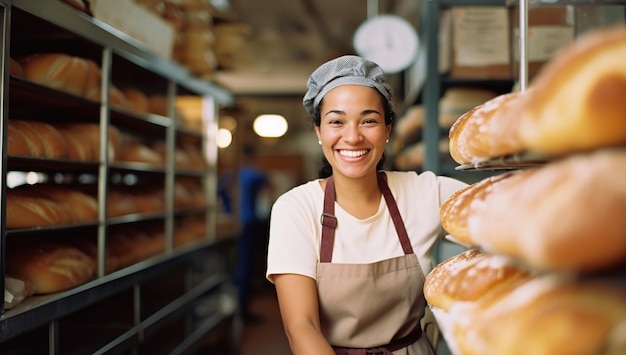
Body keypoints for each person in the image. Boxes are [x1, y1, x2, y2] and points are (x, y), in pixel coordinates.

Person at [265, 55, 468, 354]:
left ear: (387, 130)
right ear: (319, 131)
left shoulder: (426, 192)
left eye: (369, 120)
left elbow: (505, 216)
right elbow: (301, 327)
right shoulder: (296, 208)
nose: (352, 136)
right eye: (336, 121)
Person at [236, 143, 272, 323]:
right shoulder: (257, 174)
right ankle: (243, 311)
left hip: (232, 225)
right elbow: (270, 190)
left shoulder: (231, 175)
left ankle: (236, 310)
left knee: (235, 266)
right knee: (246, 266)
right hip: (249, 223)